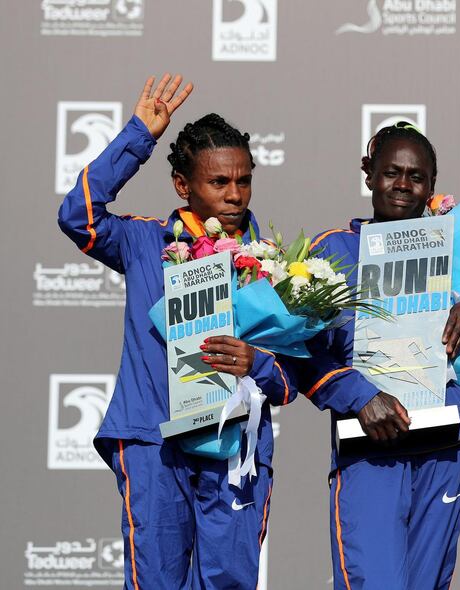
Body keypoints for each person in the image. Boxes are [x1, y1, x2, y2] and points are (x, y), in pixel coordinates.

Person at [58, 74, 316, 589]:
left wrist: (257, 362)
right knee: (154, 579)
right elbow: (78, 216)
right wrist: (139, 136)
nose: (234, 194)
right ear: (183, 185)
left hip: (233, 443)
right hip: (152, 438)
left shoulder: (274, 266)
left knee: (227, 581)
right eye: (219, 182)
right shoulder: (142, 241)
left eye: (243, 181)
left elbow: (290, 379)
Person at [305, 123, 460, 590]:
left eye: (416, 176)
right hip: (371, 443)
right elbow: (301, 353)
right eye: (391, 173)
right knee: (373, 581)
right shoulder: (334, 252)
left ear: (432, 184)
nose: (403, 185)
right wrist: (359, 395)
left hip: (444, 444)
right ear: (368, 174)